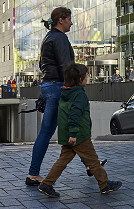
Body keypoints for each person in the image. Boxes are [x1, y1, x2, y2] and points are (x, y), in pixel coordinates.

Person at [38, 63, 122, 198]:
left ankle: (46, 184)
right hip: (79, 136)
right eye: (85, 76)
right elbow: (75, 114)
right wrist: (74, 133)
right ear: (79, 80)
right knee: (93, 161)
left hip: (68, 135)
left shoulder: (65, 92)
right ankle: (105, 184)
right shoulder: (79, 95)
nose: (87, 79)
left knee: (62, 161)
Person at [26, 7, 76, 186]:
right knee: (75, 126)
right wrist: (73, 87)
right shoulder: (60, 37)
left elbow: (42, 65)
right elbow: (66, 66)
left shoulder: (48, 38)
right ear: (61, 20)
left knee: (49, 132)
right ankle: (91, 165)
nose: (71, 22)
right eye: (69, 19)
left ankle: (90, 165)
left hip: (47, 86)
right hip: (58, 87)